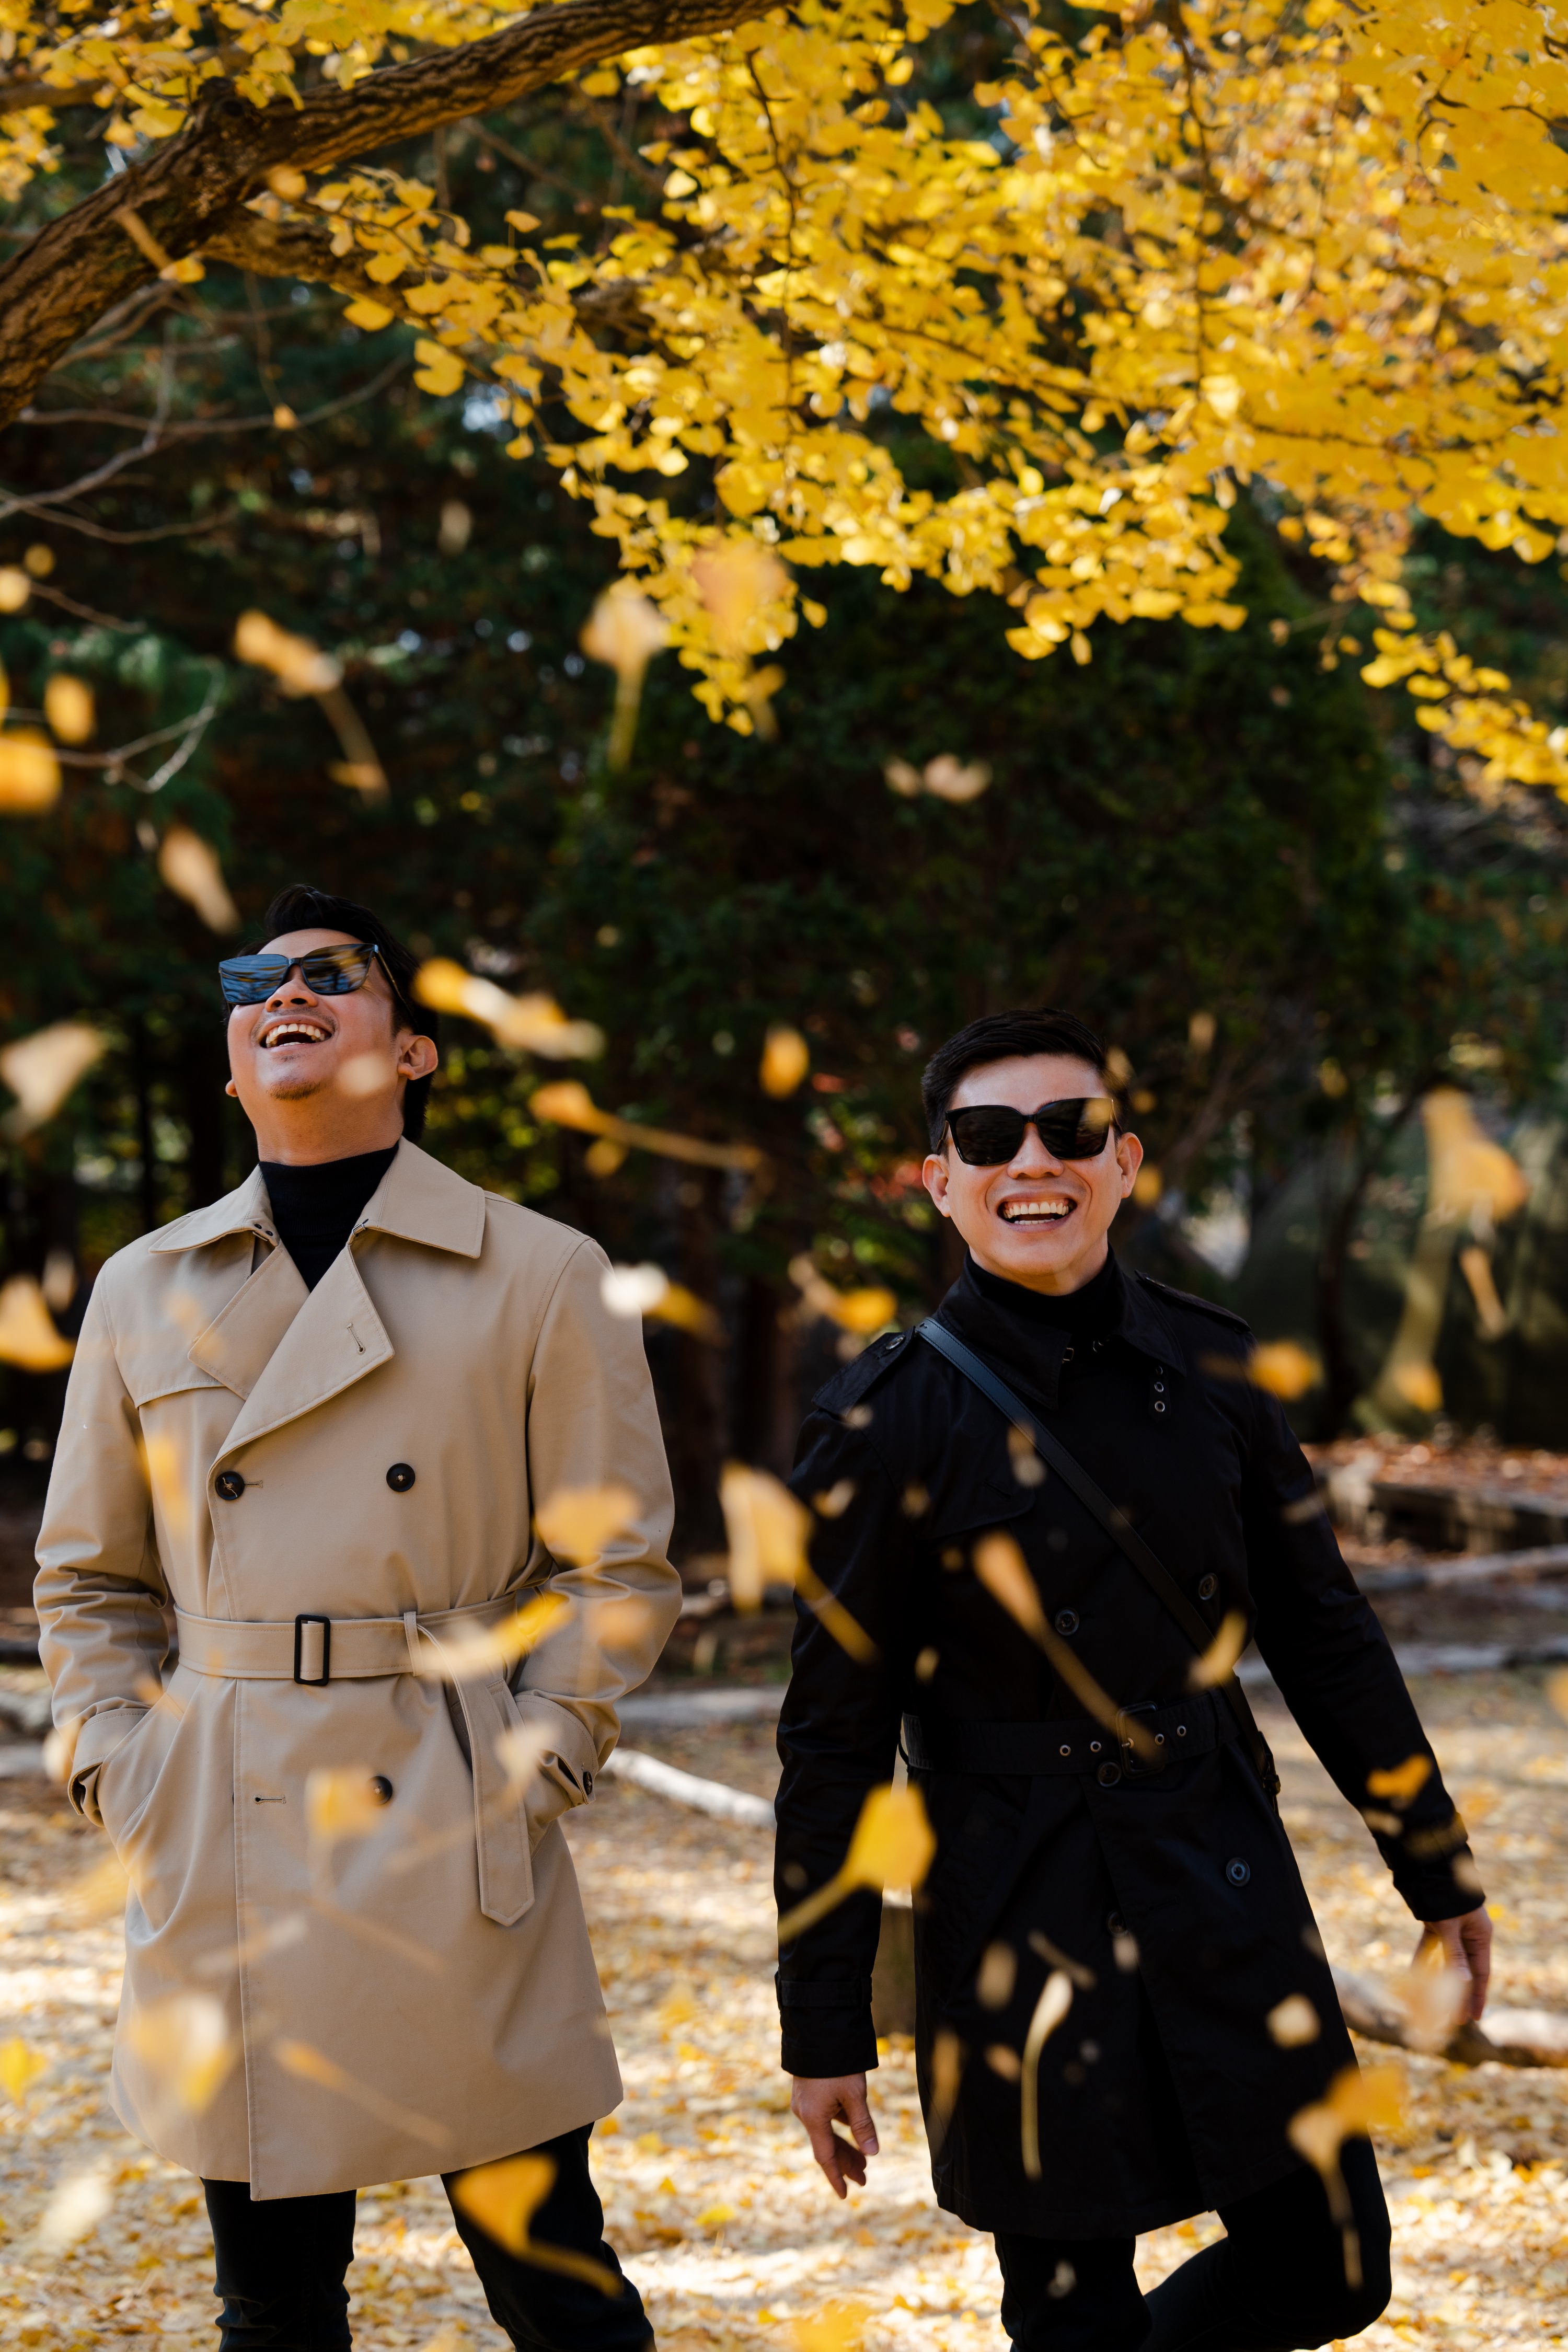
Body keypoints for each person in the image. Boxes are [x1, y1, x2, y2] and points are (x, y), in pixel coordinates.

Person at [774, 1007, 1491, 2352]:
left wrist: (1435, 1865)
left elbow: (1324, 1632)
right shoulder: (881, 1417)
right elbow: (833, 1740)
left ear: (1124, 1161)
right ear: (941, 1179)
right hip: (1011, 1895)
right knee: (1067, 2302)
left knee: (1332, 2266)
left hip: (1216, 1854)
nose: (1030, 1159)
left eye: (1070, 1130)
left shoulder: (1216, 1364)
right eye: (988, 1136)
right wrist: (823, 2026)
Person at [35, 885, 679, 2352]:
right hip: (224, 1809)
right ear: (228, 1058)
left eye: (335, 973)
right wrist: (121, 1767)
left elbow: (618, 1563)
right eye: (254, 978)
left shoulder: (542, 1270)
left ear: (420, 1046)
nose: (286, 994)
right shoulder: (145, 1287)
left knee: (555, 2278)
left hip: (449, 1807)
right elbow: (86, 1577)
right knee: (270, 2305)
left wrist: (539, 1758)